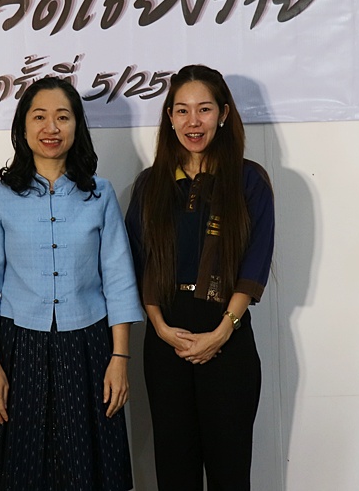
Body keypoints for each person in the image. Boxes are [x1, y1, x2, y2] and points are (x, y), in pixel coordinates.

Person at [0, 76, 144, 491]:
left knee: (83, 469)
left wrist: (120, 359)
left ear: (77, 125)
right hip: (17, 348)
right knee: (18, 470)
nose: (51, 128)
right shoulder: (0, 196)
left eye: (62, 117)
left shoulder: (100, 194)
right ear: (23, 127)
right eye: (39, 117)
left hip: (88, 349)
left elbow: (119, 281)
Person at [125, 64, 275, 491]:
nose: (193, 122)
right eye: (182, 110)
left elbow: (255, 262)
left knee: (230, 475)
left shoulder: (249, 180)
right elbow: (137, 263)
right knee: (175, 474)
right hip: (165, 339)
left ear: (223, 114)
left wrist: (222, 332)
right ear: (169, 116)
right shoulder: (150, 185)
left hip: (228, 336)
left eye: (204, 109)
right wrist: (159, 326)